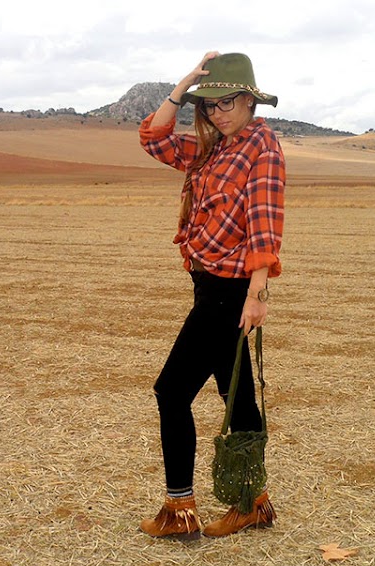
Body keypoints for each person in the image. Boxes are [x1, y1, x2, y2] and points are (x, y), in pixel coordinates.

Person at [137, 52, 285, 540]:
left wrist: (257, 293)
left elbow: (264, 223)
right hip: (209, 282)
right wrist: (181, 89)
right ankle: (253, 503)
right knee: (235, 393)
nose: (218, 112)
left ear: (249, 101)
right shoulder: (211, 148)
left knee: (171, 391)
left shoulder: (260, 148)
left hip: (229, 291)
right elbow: (154, 139)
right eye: (209, 105)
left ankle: (179, 510)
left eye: (227, 102)